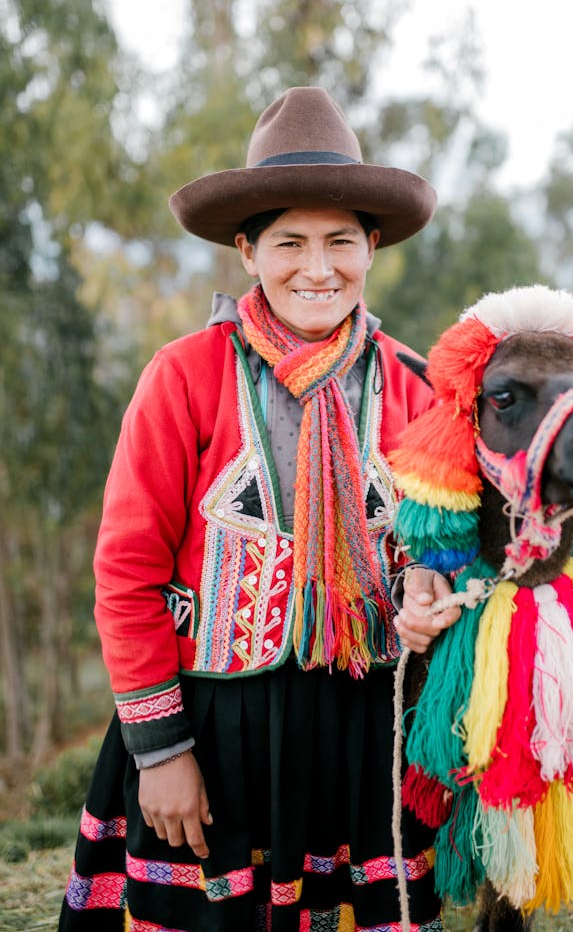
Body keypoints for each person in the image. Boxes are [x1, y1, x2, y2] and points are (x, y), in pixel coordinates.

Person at [59, 86, 460, 932]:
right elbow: (127, 568)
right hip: (215, 729)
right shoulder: (184, 376)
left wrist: (431, 588)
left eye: (340, 241)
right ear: (246, 251)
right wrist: (161, 753)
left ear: (373, 245)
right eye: (290, 243)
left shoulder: (414, 386)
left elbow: (443, 541)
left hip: (361, 736)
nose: (318, 268)